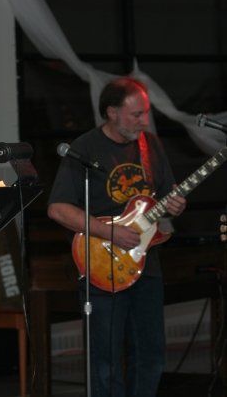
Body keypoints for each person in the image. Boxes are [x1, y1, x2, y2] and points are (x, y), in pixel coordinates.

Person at [47, 77, 186, 397]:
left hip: (146, 264)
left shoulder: (150, 146)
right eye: (136, 114)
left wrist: (177, 204)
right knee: (105, 360)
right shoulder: (85, 148)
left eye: (146, 113)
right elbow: (58, 209)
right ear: (111, 112)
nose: (144, 120)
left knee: (151, 355)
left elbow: (166, 195)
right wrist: (110, 232)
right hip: (102, 264)